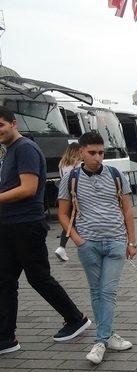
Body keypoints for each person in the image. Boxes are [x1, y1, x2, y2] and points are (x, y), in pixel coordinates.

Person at [0, 106, 90, 355]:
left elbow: (29, 188)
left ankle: (75, 318)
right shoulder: (9, 151)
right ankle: (6, 337)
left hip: (25, 225)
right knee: (5, 281)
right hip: (9, 225)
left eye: (1, 125)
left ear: (13, 123)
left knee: (37, 276)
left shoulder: (25, 148)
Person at [57, 131, 137, 364]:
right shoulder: (70, 178)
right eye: (92, 153)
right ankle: (109, 335)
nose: (97, 157)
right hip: (88, 244)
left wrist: (132, 242)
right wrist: (77, 239)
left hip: (115, 241)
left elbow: (128, 210)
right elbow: (63, 213)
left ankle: (100, 342)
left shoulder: (115, 174)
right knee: (96, 291)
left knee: (108, 291)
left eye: (101, 153)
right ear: (81, 152)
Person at [54, 142, 82, 262]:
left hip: (65, 196)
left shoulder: (62, 164)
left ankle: (62, 247)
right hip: (77, 196)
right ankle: (66, 247)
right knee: (75, 222)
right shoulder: (78, 164)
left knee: (70, 222)